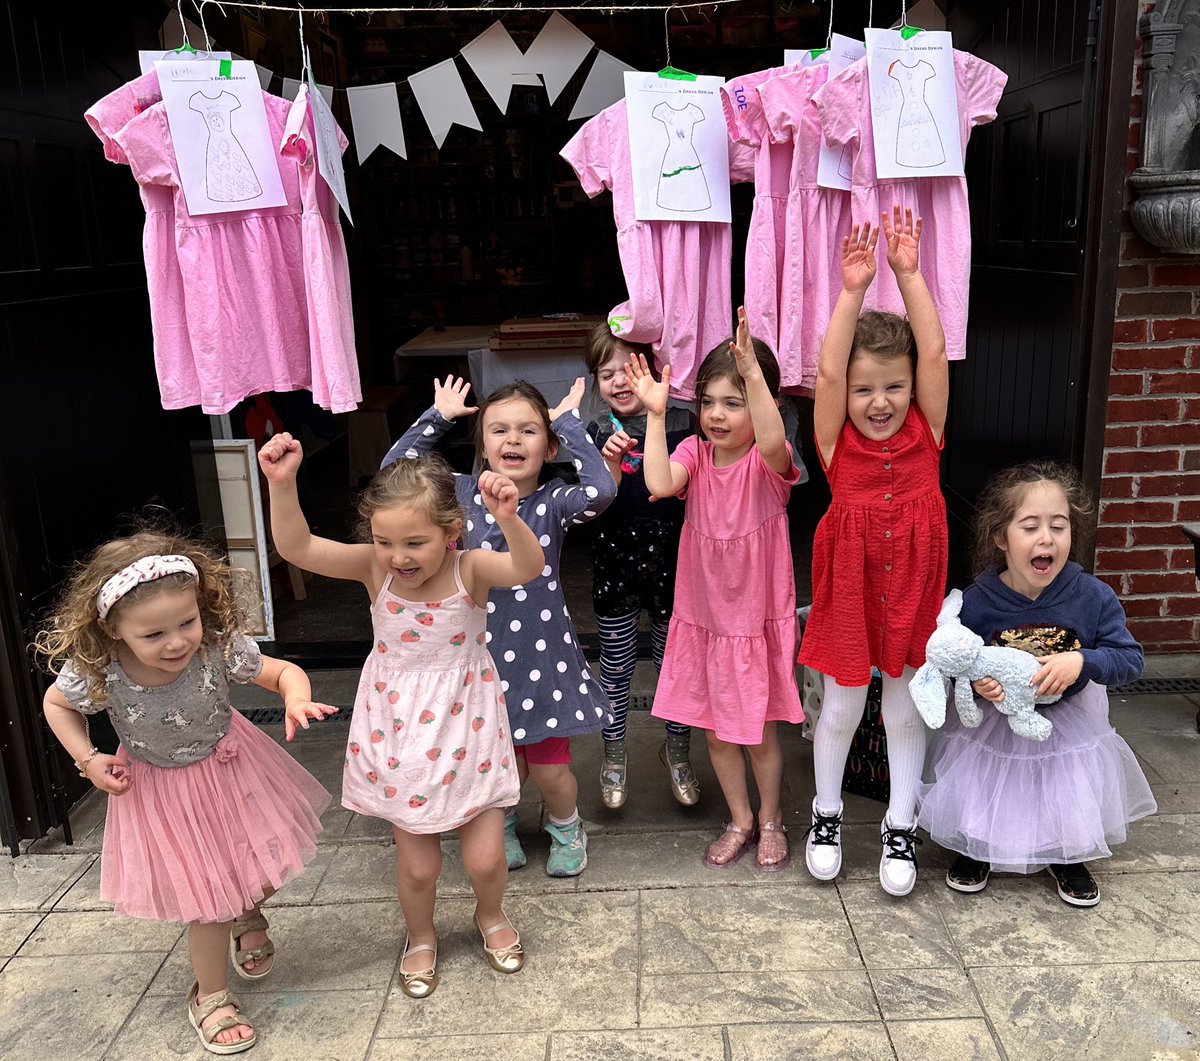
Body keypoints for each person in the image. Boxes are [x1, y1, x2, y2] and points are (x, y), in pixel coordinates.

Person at [258, 442, 544, 997]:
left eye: (415, 542)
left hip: (469, 727)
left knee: (485, 859)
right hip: (400, 733)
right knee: (418, 868)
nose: (399, 557)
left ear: (451, 531)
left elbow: (527, 567)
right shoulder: (374, 570)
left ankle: (490, 916)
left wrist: (508, 519)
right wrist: (282, 483)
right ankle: (419, 937)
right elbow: (297, 546)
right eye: (386, 542)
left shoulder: (472, 569)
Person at [36, 530, 333, 1055]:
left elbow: (280, 671)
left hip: (231, 768)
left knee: (259, 863)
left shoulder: (215, 647)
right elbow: (56, 704)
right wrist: (87, 758)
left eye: (187, 622)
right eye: (153, 635)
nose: (176, 642)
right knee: (206, 901)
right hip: (160, 789)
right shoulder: (100, 668)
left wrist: (296, 698)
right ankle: (210, 996)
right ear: (113, 631)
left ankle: (247, 911)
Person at [380, 377, 617, 877]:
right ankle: (501, 825)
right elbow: (393, 476)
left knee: (551, 770)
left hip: (542, 660)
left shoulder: (554, 501)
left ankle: (565, 824)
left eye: (529, 431)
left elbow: (601, 490)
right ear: (483, 445)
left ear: (547, 446)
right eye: (500, 430)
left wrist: (568, 423)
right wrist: (438, 417)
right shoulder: (460, 497)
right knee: (494, 763)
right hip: (476, 662)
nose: (513, 440)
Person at [917, 461, 1157, 906]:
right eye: (1030, 527)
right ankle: (978, 846)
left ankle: (1066, 852)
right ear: (1001, 538)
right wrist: (979, 684)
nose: (1046, 538)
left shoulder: (1092, 597)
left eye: (1059, 526)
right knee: (988, 779)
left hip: (1067, 717)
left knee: (1062, 783)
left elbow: (1130, 660)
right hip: (997, 721)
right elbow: (958, 660)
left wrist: (1082, 660)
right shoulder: (978, 601)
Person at [799, 206, 949, 897]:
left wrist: (909, 275)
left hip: (914, 581)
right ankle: (826, 812)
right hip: (851, 585)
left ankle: (901, 819)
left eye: (893, 386)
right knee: (841, 703)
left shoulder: (928, 430)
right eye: (867, 389)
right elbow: (828, 376)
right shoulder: (836, 443)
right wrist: (852, 290)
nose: (880, 401)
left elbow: (936, 352)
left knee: (906, 706)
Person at [630, 308, 803, 871]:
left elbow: (774, 441)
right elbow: (657, 483)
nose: (718, 416)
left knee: (758, 733)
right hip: (707, 619)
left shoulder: (767, 465)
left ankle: (772, 818)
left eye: (734, 403)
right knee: (718, 733)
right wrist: (657, 416)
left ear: (761, 406)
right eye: (708, 402)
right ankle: (740, 820)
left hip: (753, 620)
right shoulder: (694, 455)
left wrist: (754, 375)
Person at [583, 323, 698, 810]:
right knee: (616, 668)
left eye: (630, 368)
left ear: (653, 371)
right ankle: (613, 754)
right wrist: (603, 463)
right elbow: (589, 506)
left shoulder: (682, 426)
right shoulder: (592, 433)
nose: (620, 381)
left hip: (676, 570)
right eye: (607, 374)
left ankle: (676, 751)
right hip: (616, 569)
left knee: (677, 666)